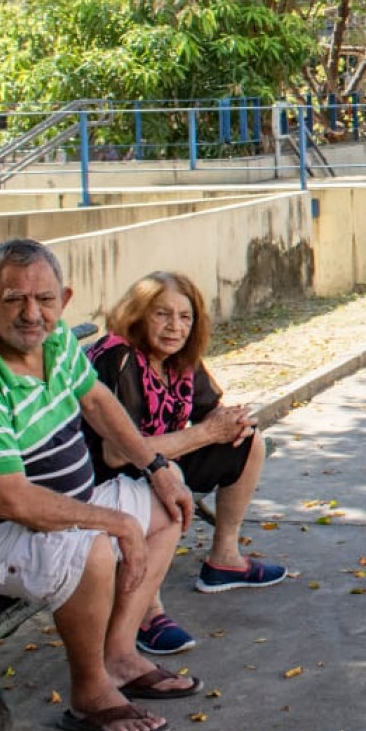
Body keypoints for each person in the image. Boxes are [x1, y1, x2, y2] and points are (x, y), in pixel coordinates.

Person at [0, 239, 200, 731]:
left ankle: (120, 655)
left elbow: (97, 402)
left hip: (39, 516)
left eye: (44, 299)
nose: (31, 313)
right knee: (91, 546)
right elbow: (12, 501)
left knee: (167, 505)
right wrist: (114, 523)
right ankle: (91, 695)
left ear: (63, 300)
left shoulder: (55, 339)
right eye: (13, 299)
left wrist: (156, 466)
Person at [86, 272, 286, 658]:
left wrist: (231, 423)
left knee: (249, 442)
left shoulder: (179, 357)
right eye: (162, 314)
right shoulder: (119, 357)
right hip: (107, 478)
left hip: (157, 460)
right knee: (168, 477)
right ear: (139, 315)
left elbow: (208, 410)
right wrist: (205, 433)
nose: (175, 327)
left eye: (185, 317)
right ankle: (146, 612)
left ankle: (224, 560)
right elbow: (118, 453)